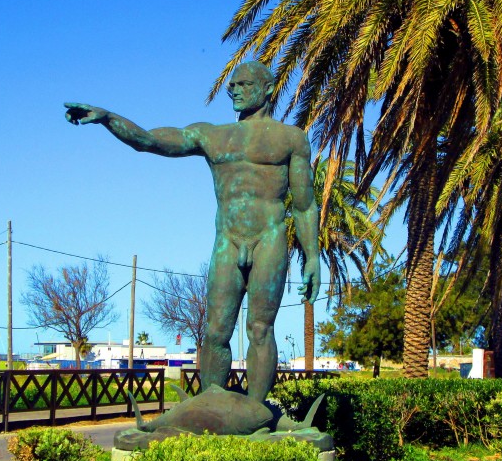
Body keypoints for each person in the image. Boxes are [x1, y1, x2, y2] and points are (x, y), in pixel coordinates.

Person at [65, 60, 320, 403]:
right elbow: (150, 141)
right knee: (215, 333)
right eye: (233, 85)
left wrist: (313, 256)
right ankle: (212, 410)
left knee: (260, 330)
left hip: (269, 239)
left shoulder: (291, 139)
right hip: (227, 242)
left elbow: (304, 205)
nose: (236, 90)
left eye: (245, 84)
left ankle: (256, 414)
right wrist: (108, 117)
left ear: (268, 89)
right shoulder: (212, 135)